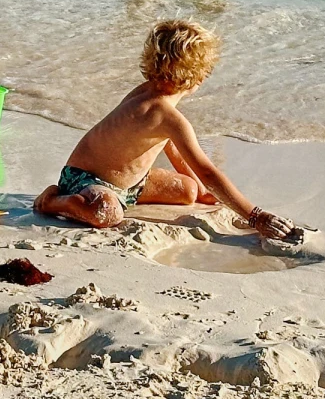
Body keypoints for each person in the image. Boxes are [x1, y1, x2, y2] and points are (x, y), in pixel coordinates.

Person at [34, 20, 302, 239]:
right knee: (109, 214)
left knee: (189, 191)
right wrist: (255, 215)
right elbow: (208, 170)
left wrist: (202, 190)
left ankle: (118, 198)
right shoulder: (162, 112)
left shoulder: (154, 98)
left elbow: (169, 145)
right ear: (198, 77)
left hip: (130, 185)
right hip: (84, 180)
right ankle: (55, 201)